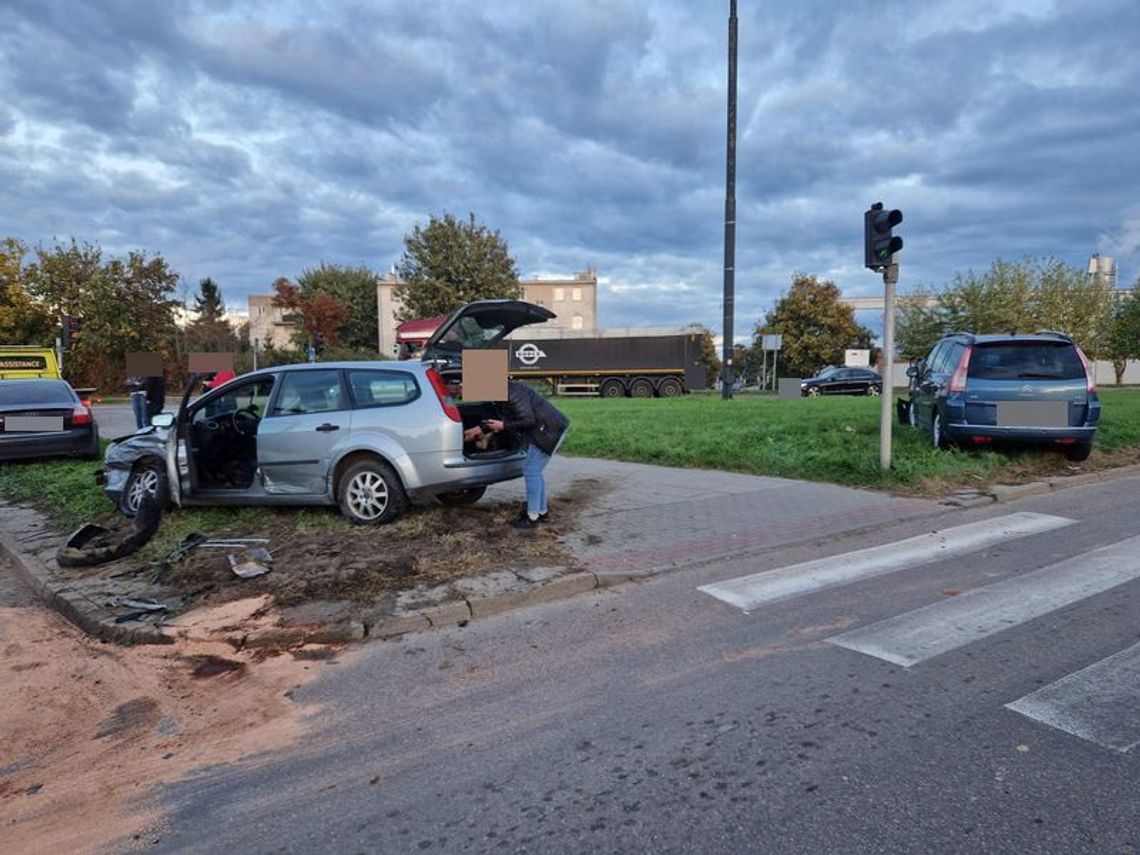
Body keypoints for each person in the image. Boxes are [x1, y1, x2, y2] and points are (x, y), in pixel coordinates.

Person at [464, 380, 569, 529]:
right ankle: (541, 512)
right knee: (535, 472)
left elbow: (528, 420)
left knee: (531, 471)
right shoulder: (502, 392)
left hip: (549, 431)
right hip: (548, 429)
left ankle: (532, 518)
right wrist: (480, 429)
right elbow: (502, 419)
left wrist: (503, 426)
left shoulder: (512, 393)